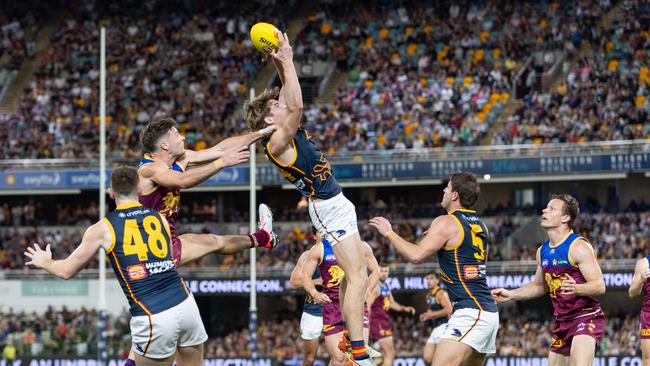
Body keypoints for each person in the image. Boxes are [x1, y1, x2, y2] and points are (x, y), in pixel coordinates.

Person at [244, 32, 371, 364]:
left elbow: (288, 96)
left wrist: (280, 58)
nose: (281, 104)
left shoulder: (282, 129)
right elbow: (297, 103)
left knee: (353, 276)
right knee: (357, 277)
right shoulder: (276, 142)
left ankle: (348, 339)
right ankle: (358, 350)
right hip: (327, 209)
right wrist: (287, 60)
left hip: (336, 203)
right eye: (275, 107)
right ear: (269, 119)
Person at [24, 167, 207, 366]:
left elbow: (66, 271)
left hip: (153, 314)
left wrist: (45, 261)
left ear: (111, 192)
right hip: (185, 302)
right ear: (139, 189)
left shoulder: (102, 228)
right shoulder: (160, 218)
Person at [369, 172, 498, 366]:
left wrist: (389, 233)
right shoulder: (482, 226)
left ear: (455, 195)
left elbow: (415, 256)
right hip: (486, 311)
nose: (443, 191)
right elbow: (480, 264)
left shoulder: (446, 222)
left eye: (447, 187)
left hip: (470, 311)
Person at [138, 117, 278, 268]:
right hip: (151, 251)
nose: (183, 137)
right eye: (177, 135)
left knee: (215, 242)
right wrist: (221, 163)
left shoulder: (181, 159)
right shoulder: (150, 169)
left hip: (167, 242)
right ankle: (264, 238)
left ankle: (265, 237)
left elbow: (220, 149)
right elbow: (182, 181)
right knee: (214, 243)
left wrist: (262, 133)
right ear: (165, 145)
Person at [492, 194, 606, 366]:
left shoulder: (578, 246)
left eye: (552, 208)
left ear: (566, 217)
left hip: (585, 316)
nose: (545, 210)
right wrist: (511, 294)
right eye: (546, 207)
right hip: (562, 321)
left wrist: (578, 289)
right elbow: (539, 286)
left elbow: (599, 286)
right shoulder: (542, 251)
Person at [301, 237, 381, 365]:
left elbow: (376, 270)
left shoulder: (361, 245)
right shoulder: (320, 248)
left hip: (355, 304)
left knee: (357, 355)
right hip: (332, 307)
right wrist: (315, 293)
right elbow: (305, 275)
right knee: (339, 358)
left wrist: (367, 291)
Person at [366, 264, 416, 366]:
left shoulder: (386, 286)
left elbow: (391, 303)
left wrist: (404, 308)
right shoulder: (376, 287)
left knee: (384, 355)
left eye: (386, 271)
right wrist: (367, 325)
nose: (384, 273)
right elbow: (367, 306)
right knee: (390, 353)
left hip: (383, 321)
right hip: (377, 322)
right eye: (382, 271)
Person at [289, 228, 324, 366]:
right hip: (313, 309)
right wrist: (316, 281)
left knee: (340, 356)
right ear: (314, 236)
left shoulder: (339, 253)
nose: (325, 234)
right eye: (321, 232)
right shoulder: (307, 256)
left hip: (335, 309)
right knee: (310, 358)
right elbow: (293, 283)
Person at [421, 271, 452, 365]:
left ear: (437, 280)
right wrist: (426, 315)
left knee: (440, 360)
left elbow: (449, 310)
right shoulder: (428, 296)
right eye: (427, 278)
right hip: (435, 328)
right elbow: (432, 312)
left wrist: (431, 315)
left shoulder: (441, 293)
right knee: (427, 358)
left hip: (443, 327)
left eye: (431, 278)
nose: (428, 281)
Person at [629, 255, 650, 366]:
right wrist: (641, 280)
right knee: (647, 359)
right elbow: (632, 292)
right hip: (648, 316)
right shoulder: (643, 264)